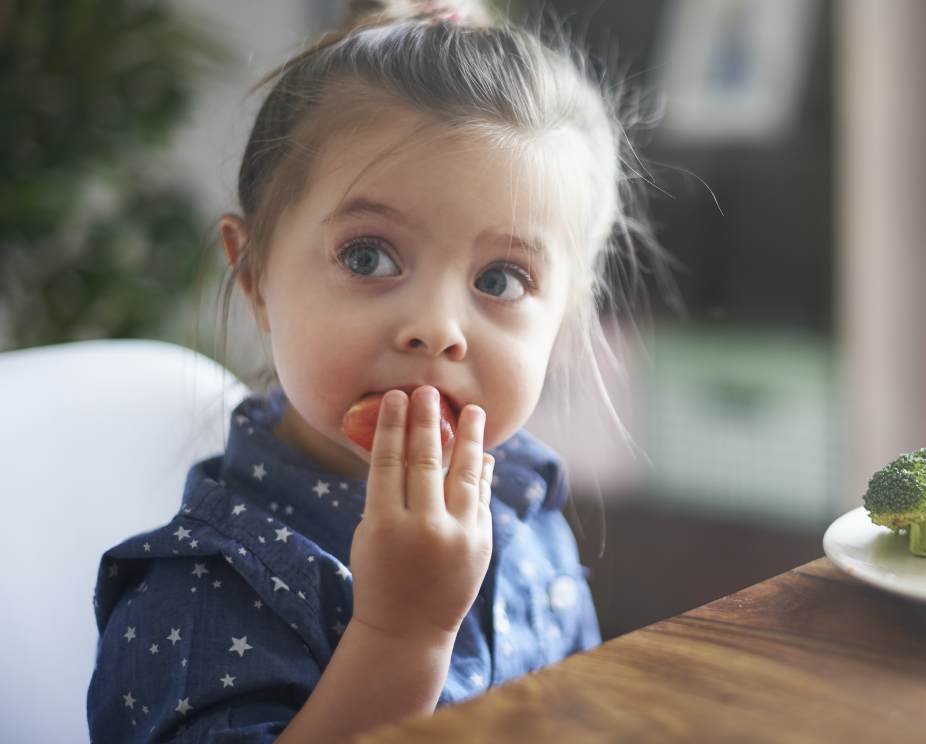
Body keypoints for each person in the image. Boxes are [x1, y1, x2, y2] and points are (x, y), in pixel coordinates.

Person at [87, 0, 662, 740]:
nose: (437, 329)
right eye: (368, 257)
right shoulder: (206, 588)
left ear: (567, 314)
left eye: (500, 280)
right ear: (256, 275)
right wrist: (402, 636)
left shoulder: (523, 500)